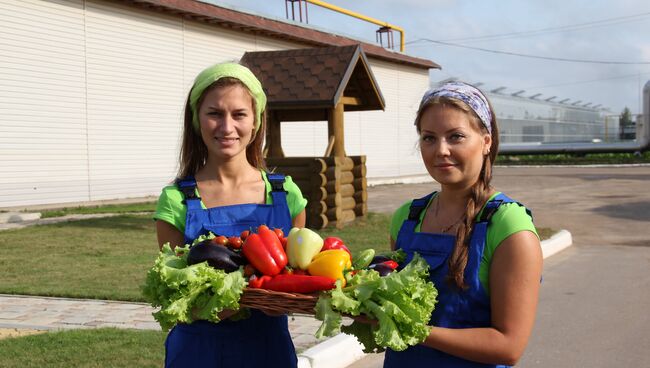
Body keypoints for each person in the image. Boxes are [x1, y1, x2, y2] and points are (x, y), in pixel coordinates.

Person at [153, 62, 307, 368]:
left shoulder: (286, 194)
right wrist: (218, 304)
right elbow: (173, 296)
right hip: (197, 353)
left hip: (269, 352)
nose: (227, 127)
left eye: (239, 114)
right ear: (197, 120)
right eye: (214, 114)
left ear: (256, 121)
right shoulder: (176, 200)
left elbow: (298, 276)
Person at [384, 81, 542, 367]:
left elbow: (508, 346)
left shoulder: (508, 225)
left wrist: (413, 330)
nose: (440, 150)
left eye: (455, 136)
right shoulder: (407, 216)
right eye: (429, 138)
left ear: (486, 141)